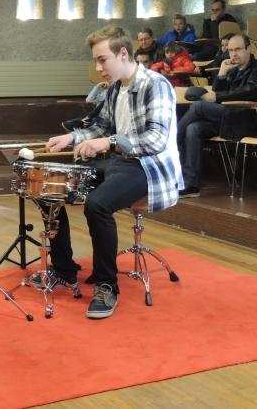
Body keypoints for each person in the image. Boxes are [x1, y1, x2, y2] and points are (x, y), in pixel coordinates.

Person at [45, 25, 183, 319]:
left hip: (149, 166)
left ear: (122, 54)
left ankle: (107, 285)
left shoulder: (155, 84)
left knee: (98, 204)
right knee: (52, 184)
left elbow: (156, 140)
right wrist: (73, 138)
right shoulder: (115, 88)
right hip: (121, 162)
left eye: (102, 60)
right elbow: (101, 127)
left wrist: (108, 142)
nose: (98, 68)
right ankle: (64, 269)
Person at [177, 34, 257, 198]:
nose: (233, 54)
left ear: (249, 49)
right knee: (194, 128)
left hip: (250, 118)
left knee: (199, 106)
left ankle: (173, 138)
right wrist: (222, 74)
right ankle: (191, 184)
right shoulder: (233, 70)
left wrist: (217, 96)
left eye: (238, 49)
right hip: (229, 119)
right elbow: (217, 93)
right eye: (230, 50)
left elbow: (249, 91)